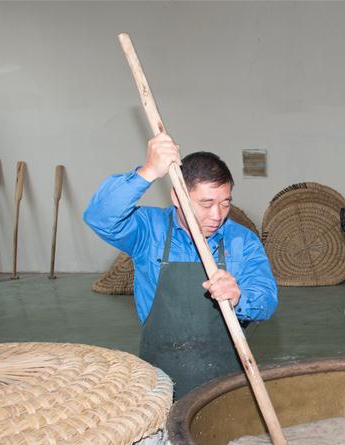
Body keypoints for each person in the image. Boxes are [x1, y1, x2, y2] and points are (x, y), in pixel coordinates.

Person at [85, 133, 278, 399]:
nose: (217, 216)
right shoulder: (148, 231)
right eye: (206, 203)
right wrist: (148, 171)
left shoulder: (241, 240)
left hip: (225, 377)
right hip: (160, 376)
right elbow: (99, 217)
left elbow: (267, 298)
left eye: (225, 203)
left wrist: (240, 297)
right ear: (177, 197)